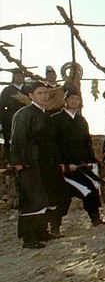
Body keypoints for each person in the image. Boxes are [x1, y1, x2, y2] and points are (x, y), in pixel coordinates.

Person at [9, 81, 62, 249]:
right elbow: (18, 139)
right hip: (30, 163)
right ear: (31, 95)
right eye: (40, 93)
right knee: (32, 197)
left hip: (46, 162)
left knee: (45, 196)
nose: (44, 96)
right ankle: (28, 237)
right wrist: (18, 161)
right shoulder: (23, 114)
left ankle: (41, 231)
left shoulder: (47, 115)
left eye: (46, 93)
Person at [51, 86, 105, 236]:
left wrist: (92, 160)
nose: (74, 101)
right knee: (62, 197)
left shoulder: (81, 120)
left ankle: (95, 219)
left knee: (91, 190)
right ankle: (55, 228)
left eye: (77, 99)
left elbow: (87, 142)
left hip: (81, 164)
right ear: (65, 101)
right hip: (64, 167)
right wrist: (62, 164)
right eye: (71, 99)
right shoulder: (55, 119)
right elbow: (53, 145)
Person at [1, 69, 28, 159]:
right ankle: (10, 160)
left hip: (26, 120)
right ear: (13, 77)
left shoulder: (28, 90)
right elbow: (1, 105)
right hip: (10, 120)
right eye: (17, 76)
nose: (20, 78)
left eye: (21, 76)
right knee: (10, 140)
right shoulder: (7, 90)